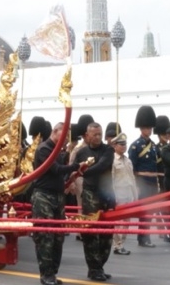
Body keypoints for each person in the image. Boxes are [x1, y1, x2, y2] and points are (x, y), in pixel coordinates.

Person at [32, 121, 88, 285]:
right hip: (43, 196)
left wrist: (71, 177)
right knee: (45, 236)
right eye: (63, 135)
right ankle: (46, 274)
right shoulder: (44, 149)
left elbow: (60, 174)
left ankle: (52, 273)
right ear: (55, 131)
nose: (65, 140)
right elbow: (55, 169)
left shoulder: (58, 151)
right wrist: (76, 166)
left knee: (58, 237)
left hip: (57, 196)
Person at [73, 122, 114, 282]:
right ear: (87, 135)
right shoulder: (81, 152)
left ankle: (99, 266)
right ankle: (94, 268)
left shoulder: (108, 150)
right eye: (94, 134)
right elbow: (74, 168)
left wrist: (85, 171)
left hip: (107, 195)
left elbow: (103, 165)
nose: (98, 137)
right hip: (90, 195)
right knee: (91, 233)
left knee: (107, 234)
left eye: (99, 133)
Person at [128, 106, 160, 248]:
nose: (150, 130)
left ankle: (146, 236)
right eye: (147, 128)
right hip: (142, 181)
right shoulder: (136, 146)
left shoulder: (153, 146)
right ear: (141, 129)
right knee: (144, 212)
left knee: (151, 211)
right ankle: (142, 238)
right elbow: (132, 167)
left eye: (150, 128)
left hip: (153, 181)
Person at [109, 132, 137, 256]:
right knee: (119, 221)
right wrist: (113, 196)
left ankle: (122, 244)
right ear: (115, 146)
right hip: (118, 194)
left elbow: (132, 179)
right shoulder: (113, 161)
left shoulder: (128, 161)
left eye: (125, 144)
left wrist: (135, 195)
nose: (124, 147)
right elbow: (112, 179)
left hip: (128, 194)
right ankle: (117, 245)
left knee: (127, 221)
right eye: (121, 144)